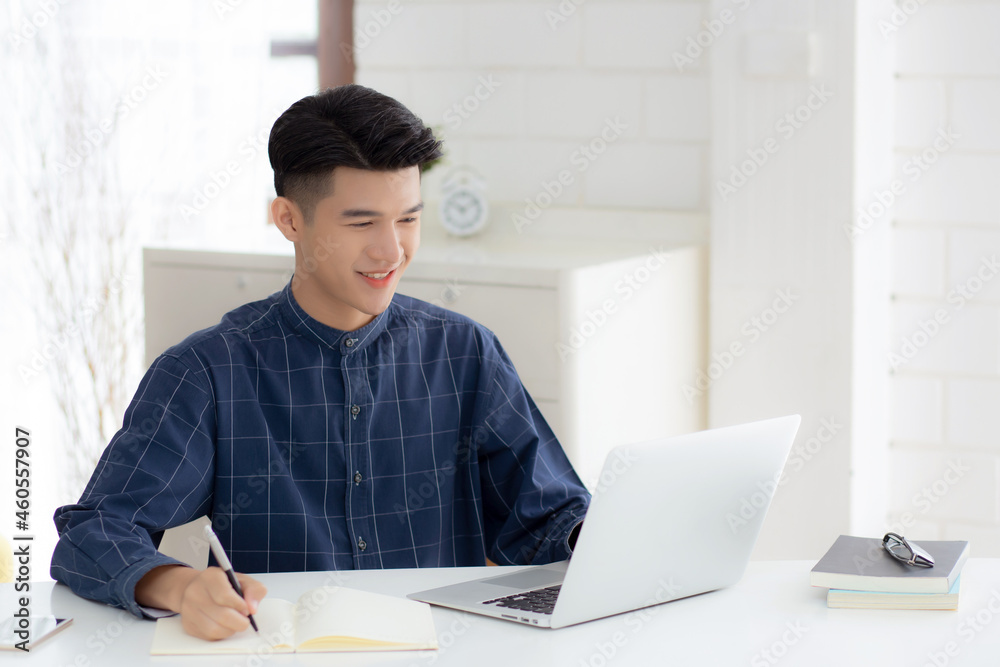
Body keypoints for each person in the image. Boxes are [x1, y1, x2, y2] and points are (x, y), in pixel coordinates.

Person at [51, 84, 590, 641]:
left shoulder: (466, 353)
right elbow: (95, 533)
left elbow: (550, 520)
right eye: (362, 224)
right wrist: (180, 585)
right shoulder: (207, 372)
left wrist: (617, 537)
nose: (392, 250)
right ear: (288, 220)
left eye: (408, 219)